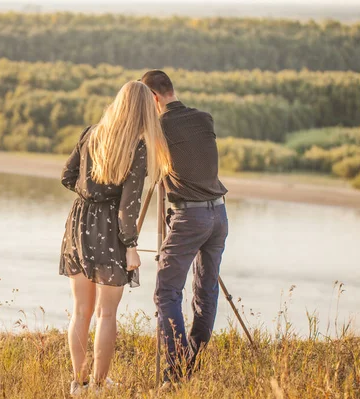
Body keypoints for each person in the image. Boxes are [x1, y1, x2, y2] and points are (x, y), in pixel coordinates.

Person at [59, 81, 173, 396]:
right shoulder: (136, 148)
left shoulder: (90, 133)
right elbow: (129, 208)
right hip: (110, 230)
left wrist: (89, 198)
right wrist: (132, 247)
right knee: (106, 313)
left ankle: (78, 384)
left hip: (78, 224)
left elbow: (67, 177)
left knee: (80, 309)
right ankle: (97, 384)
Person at [141, 70, 229, 386]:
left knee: (166, 293)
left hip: (189, 218)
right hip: (219, 215)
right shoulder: (204, 119)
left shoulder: (159, 128)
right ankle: (191, 358)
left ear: (152, 98)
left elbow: (147, 167)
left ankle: (176, 374)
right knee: (206, 292)